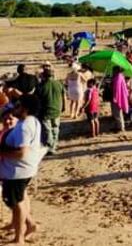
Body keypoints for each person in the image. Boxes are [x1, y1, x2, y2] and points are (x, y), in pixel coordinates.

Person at [0, 94, 44, 244]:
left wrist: (2, 152)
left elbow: (21, 152)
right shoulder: (31, 121)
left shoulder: (25, 126)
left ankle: (20, 238)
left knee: (16, 202)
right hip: (24, 169)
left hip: (17, 171)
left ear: (25, 108)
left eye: (17, 105)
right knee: (21, 198)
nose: (15, 108)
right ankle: (28, 225)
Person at [37, 68, 65, 155]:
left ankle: (50, 146)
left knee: (47, 130)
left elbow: (37, 100)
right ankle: (54, 144)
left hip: (46, 111)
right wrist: (64, 107)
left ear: (44, 76)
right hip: (57, 110)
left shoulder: (41, 86)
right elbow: (63, 96)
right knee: (55, 128)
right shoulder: (59, 84)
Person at [110, 67, 129, 133]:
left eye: (113, 70)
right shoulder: (119, 76)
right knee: (116, 113)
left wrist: (115, 97)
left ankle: (121, 127)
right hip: (119, 97)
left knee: (117, 113)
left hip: (118, 97)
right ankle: (118, 126)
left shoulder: (118, 77)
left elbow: (117, 89)